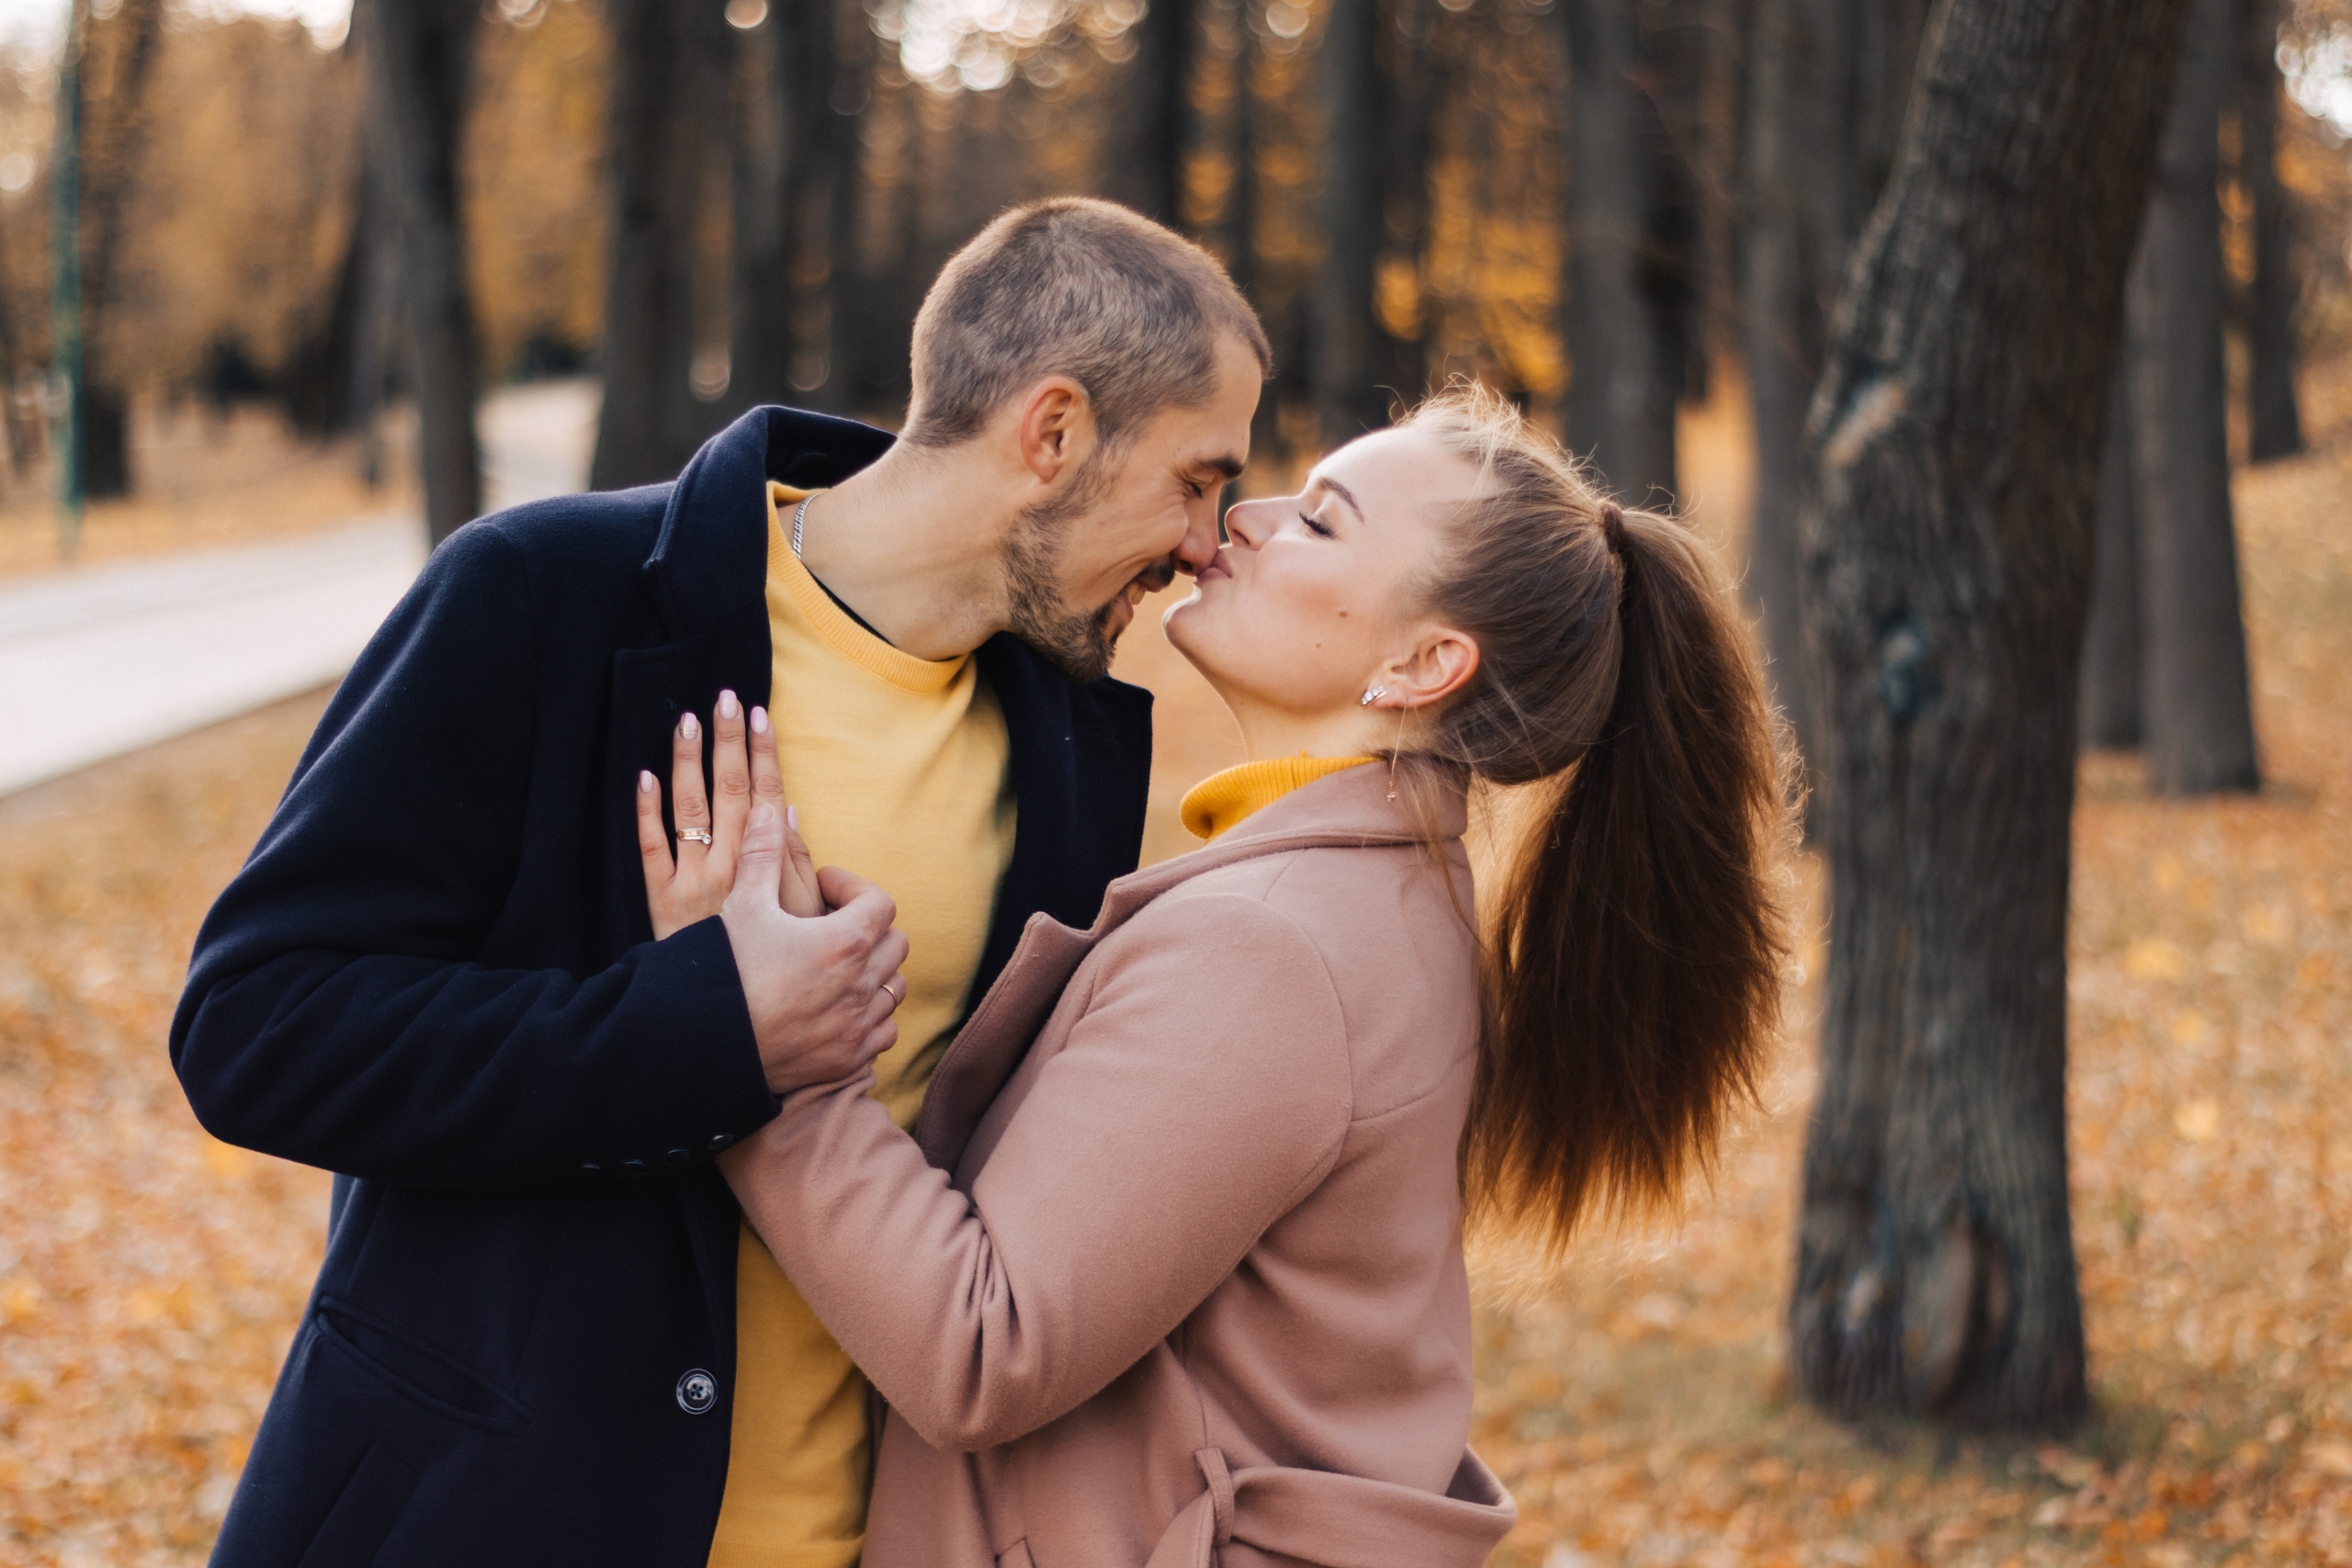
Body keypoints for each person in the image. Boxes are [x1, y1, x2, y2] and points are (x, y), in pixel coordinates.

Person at [170, 197, 1269, 1568]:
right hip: (490, 1519)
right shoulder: (543, 595)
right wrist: (709, 1034)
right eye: (1198, 479)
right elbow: (257, 1028)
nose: (1207, 545)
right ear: (1051, 435)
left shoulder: (1073, 739)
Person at [653, 383, 1792, 1567]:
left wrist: (755, 1040)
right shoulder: (1388, 898)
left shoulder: (1276, 951)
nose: (1244, 520)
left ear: (1422, 662)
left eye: (1323, 520)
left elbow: (985, 1347)